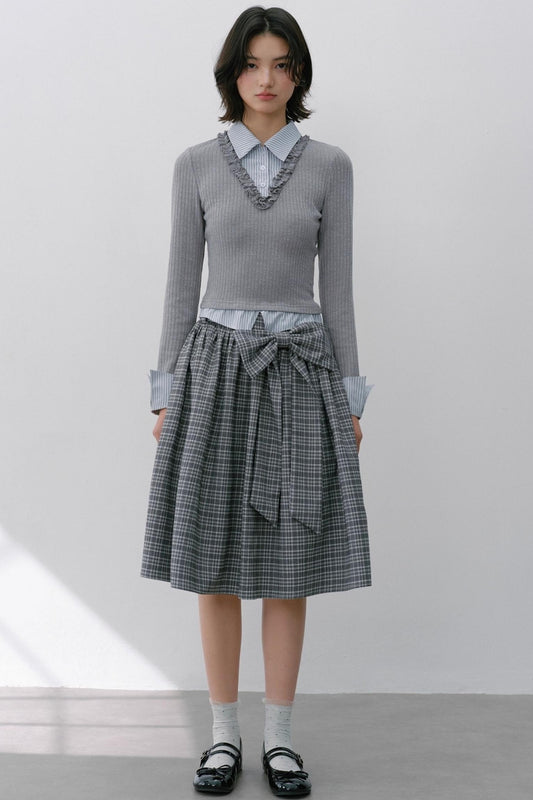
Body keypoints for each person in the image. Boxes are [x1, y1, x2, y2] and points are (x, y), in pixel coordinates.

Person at [140, 5, 374, 796]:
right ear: (230, 73)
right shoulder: (195, 166)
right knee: (210, 563)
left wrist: (350, 398)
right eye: (250, 63)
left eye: (280, 64)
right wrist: (165, 394)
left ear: (297, 73)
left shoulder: (330, 166)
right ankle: (221, 738)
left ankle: (278, 740)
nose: (265, 79)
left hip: (301, 373)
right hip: (212, 372)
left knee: (287, 565)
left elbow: (337, 291)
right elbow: (181, 287)